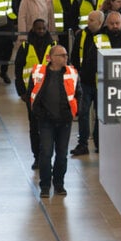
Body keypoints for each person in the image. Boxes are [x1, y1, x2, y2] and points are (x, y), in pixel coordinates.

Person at [27, 45, 82, 198]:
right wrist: (38, 114)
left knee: (62, 154)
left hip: (65, 121)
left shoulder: (72, 73)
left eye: (66, 55)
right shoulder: (39, 73)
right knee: (46, 152)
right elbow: (31, 94)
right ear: (52, 58)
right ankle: (45, 185)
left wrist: (75, 112)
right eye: (62, 55)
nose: (65, 58)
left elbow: (79, 94)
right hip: (46, 121)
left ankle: (59, 184)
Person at [16, 19, 56, 171]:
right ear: (33, 28)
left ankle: (47, 157)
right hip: (31, 94)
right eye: (38, 28)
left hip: (49, 95)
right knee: (34, 127)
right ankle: (37, 157)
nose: (40, 31)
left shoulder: (53, 47)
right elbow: (18, 71)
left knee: (49, 127)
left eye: (43, 28)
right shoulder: (25, 47)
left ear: (47, 28)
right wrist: (21, 92)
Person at [71, 10, 103, 155]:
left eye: (92, 20)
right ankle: (82, 144)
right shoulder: (81, 35)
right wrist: (78, 73)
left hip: (100, 82)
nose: (88, 22)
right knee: (83, 113)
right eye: (88, 19)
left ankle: (99, 143)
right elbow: (75, 56)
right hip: (84, 81)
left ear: (100, 23)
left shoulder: (104, 37)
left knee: (99, 114)